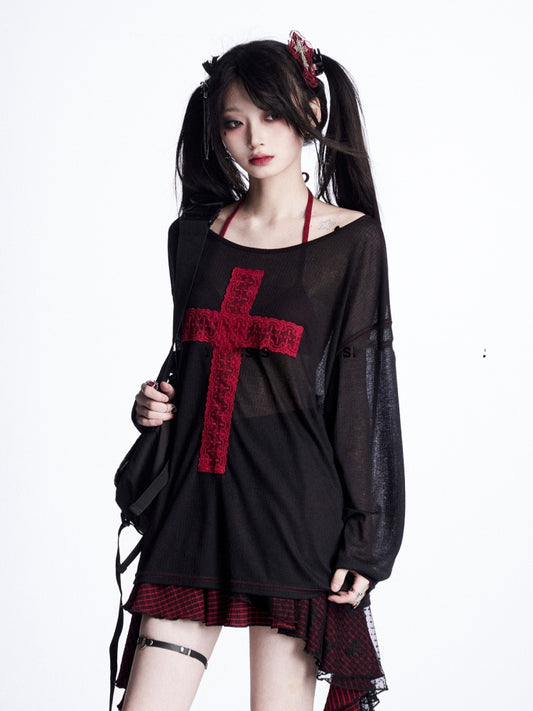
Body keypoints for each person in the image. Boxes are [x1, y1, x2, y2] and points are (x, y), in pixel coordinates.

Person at [115, 31, 405, 711]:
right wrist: (153, 404)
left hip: (291, 510)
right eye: (234, 122)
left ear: (311, 111)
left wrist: (366, 540)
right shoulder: (193, 236)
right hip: (195, 501)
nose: (254, 137)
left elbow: (364, 396)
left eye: (271, 115)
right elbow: (196, 359)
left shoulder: (352, 242)